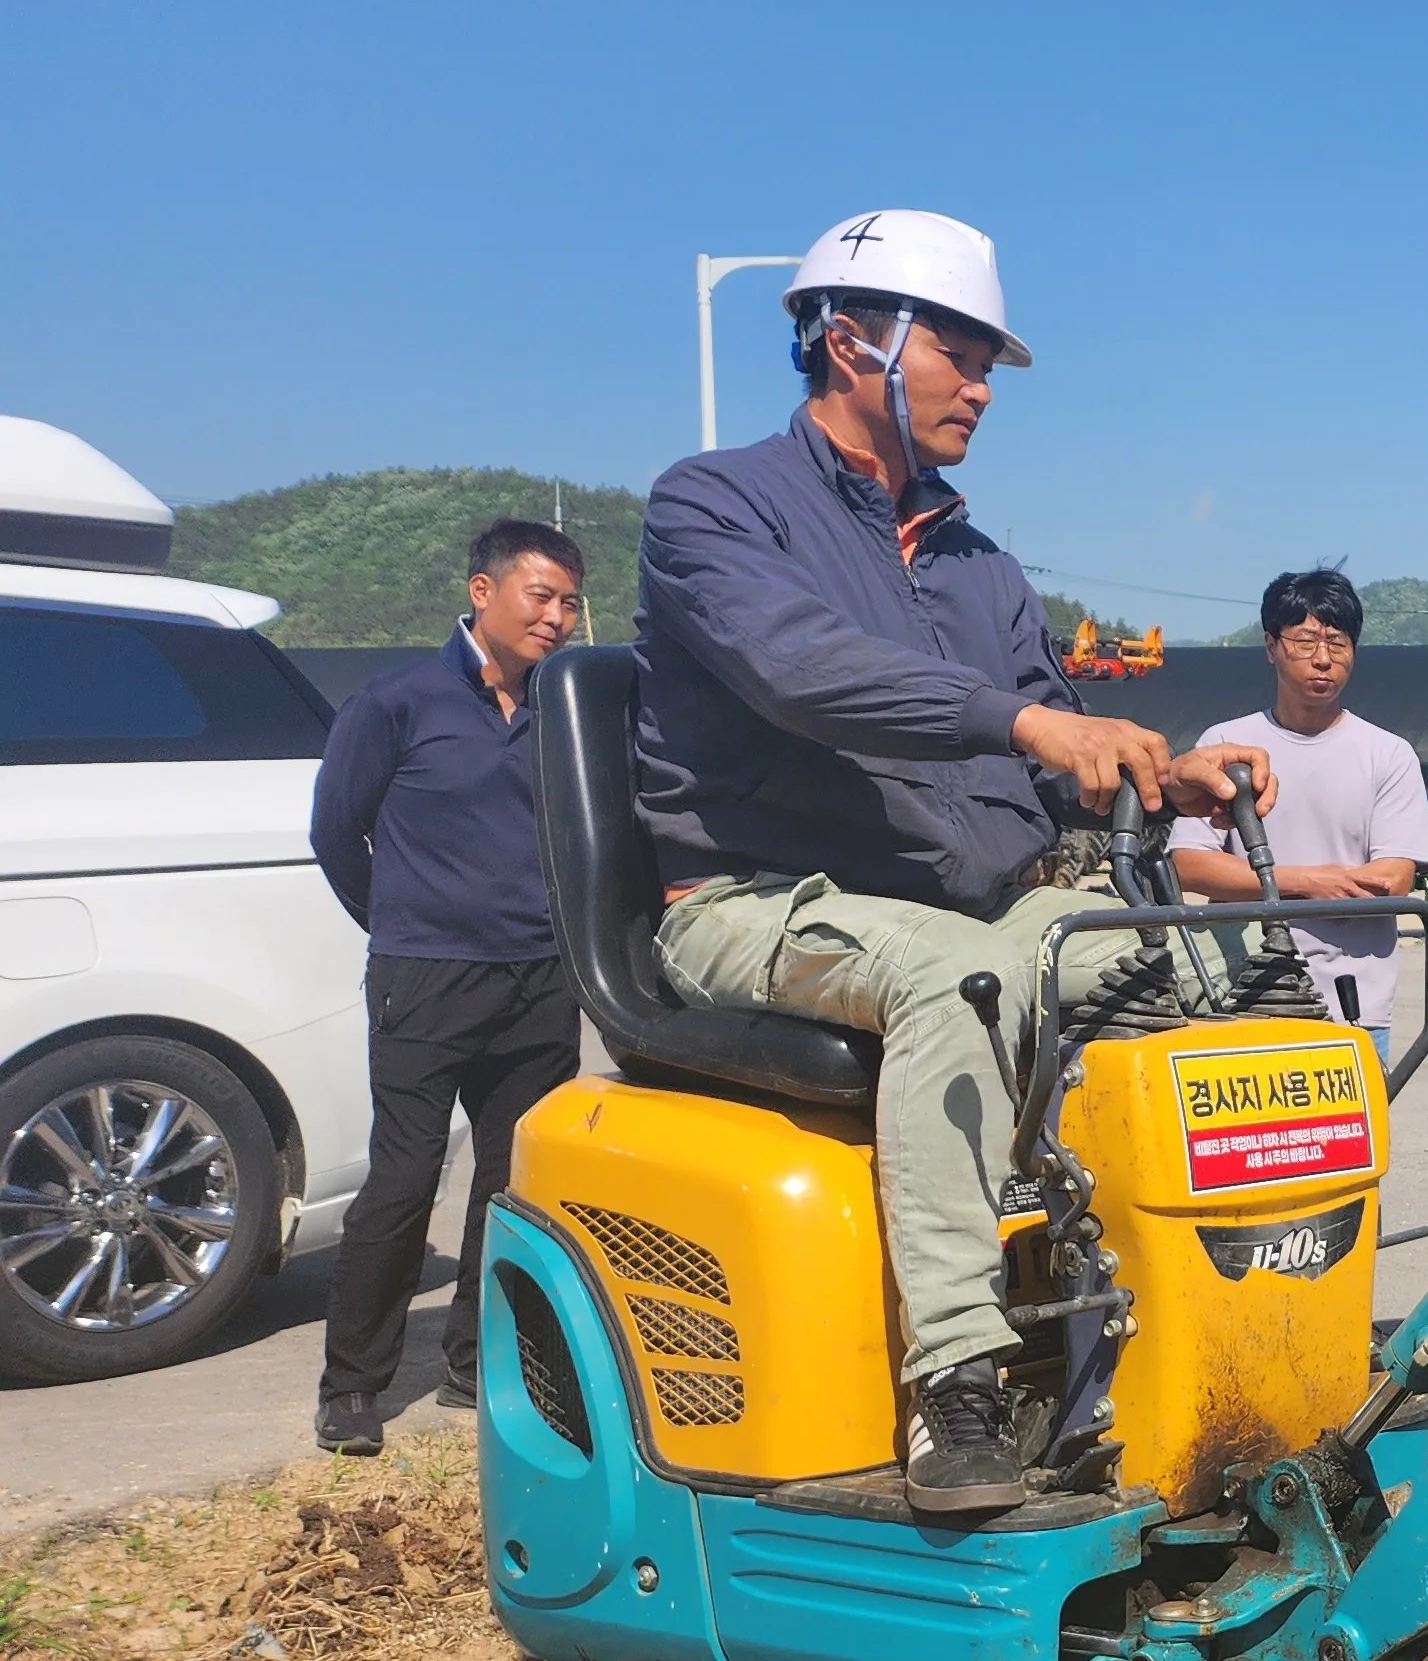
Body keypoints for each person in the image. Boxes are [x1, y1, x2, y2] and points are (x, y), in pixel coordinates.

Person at [635, 210, 1270, 1515]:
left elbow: (1050, 753)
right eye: (961, 357)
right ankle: (956, 1386)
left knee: (1225, 959)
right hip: (755, 902)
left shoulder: (981, 565)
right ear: (854, 341)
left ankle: (1232, 1323)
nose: (981, 389)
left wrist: (1163, 773)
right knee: (957, 980)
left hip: (964, 904)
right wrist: (1027, 722)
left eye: (987, 366)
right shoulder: (713, 505)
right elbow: (802, 670)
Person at [305, 521, 592, 1454]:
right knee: (404, 1179)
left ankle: (478, 1363)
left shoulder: (565, 710)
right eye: (540, 596)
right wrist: (402, 925)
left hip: (539, 982)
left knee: (512, 1185)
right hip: (424, 983)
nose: (557, 618)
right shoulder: (396, 702)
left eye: (569, 602)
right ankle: (353, 1386)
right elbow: (335, 832)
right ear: (483, 591)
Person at [1166, 566, 1428, 1034]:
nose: (1323, 659)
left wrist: (1257, 884)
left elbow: (1393, 879)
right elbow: (1190, 865)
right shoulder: (1226, 744)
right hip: (1240, 996)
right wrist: (1309, 882)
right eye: (1306, 642)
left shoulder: (1387, 754)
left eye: (1338, 643)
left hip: (1354, 1007)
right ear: (1271, 647)